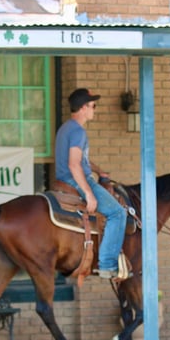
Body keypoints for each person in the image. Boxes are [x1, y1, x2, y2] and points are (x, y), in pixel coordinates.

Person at [55, 88, 128, 279]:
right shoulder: (78, 131)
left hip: (65, 178)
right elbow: (73, 164)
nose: (95, 109)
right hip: (76, 179)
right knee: (117, 213)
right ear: (83, 108)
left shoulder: (66, 128)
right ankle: (107, 265)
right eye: (93, 105)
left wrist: (98, 170)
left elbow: (81, 159)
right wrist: (88, 192)